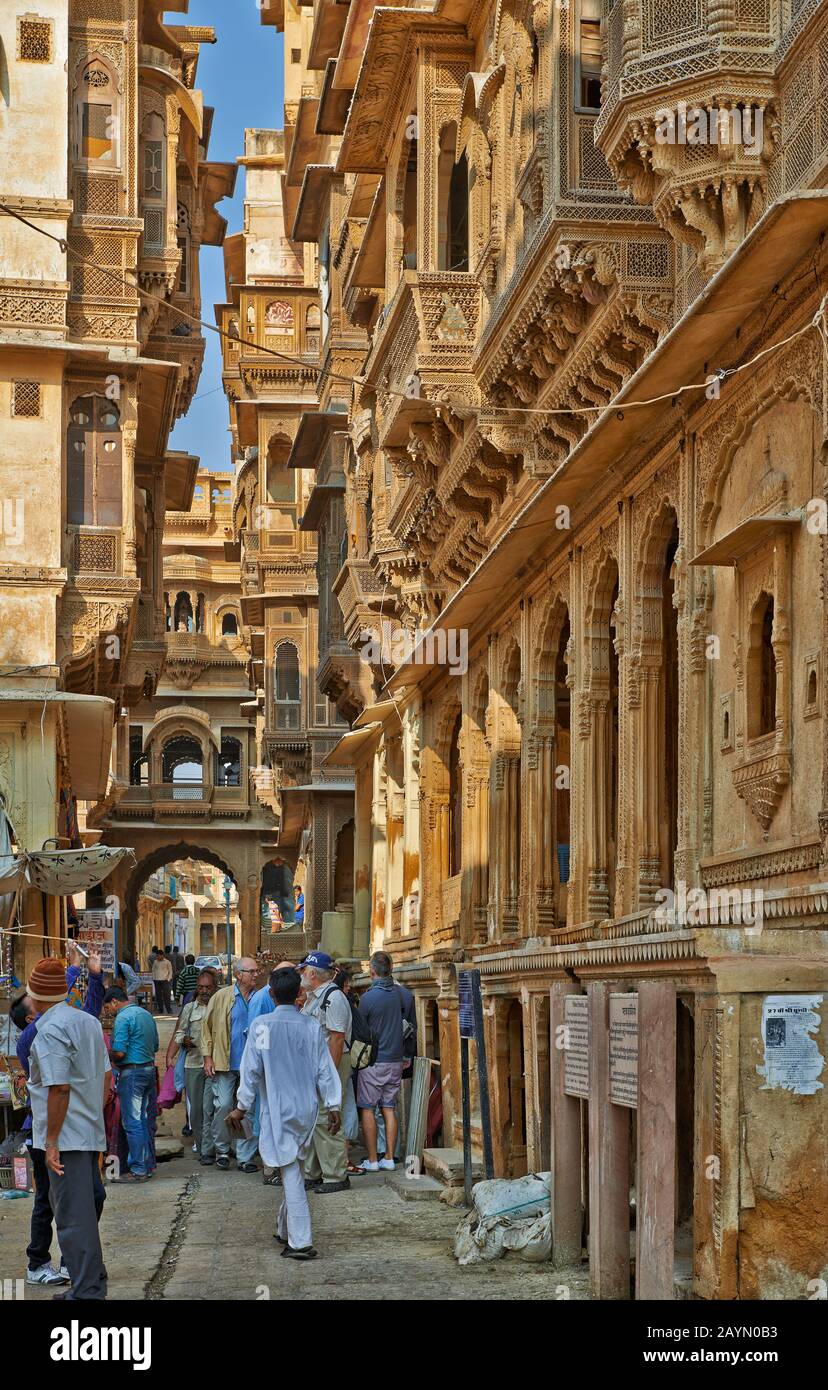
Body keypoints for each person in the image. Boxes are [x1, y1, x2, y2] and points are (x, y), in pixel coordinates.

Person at [226, 967, 342, 1260]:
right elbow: (324, 1069)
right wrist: (333, 1104)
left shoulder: (263, 1026)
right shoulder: (310, 1026)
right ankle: (284, 1227)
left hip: (278, 1108)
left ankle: (300, 1242)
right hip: (307, 1108)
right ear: (299, 994)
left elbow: (251, 1071)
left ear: (273, 994)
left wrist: (241, 1107)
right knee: (294, 1167)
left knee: (290, 1171)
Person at [14, 949, 105, 1288]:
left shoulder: (46, 1032)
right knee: (82, 1207)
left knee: (69, 1215)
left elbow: (59, 1089)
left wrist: (51, 1142)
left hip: (63, 1136)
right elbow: (104, 1076)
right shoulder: (88, 1022)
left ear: (35, 997)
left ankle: (85, 1290)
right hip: (86, 1130)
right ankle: (88, 1280)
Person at [298, 951, 352, 1194]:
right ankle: (313, 1172)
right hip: (316, 1065)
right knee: (313, 1118)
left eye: (303, 971)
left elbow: (337, 1038)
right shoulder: (313, 997)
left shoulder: (333, 997)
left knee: (327, 1117)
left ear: (312, 973)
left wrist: (327, 1075)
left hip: (329, 1064)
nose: (301, 975)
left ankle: (335, 1175)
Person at [201, 956, 260, 1171]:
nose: (256, 975)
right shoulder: (222, 997)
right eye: (251, 971)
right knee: (224, 1105)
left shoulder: (259, 997)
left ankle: (245, 1157)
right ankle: (222, 1151)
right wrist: (207, 1056)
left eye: (257, 971)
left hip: (251, 1065)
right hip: (225, 1063)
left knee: (247, 1109)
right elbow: (205, 1029)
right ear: (238, 975)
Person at [357, 951, 406, 1172]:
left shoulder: (368, 998)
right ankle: (389, 1157)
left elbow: (360, 1028)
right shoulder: (400, 995)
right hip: (395, 1060)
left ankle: (373, 1160)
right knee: (389, 1108)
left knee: (368, 1108)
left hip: (374, 1061)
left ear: (372, 971)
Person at [105, 985, 159, 1182]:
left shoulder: (123, 1017)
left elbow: (119, 1052)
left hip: (132, 1073)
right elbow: (155, 1046)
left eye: (108, 1008)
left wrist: (103, 1052)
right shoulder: (145, 1014)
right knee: (143, 1120)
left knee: (132, 1122)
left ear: (114, 1002)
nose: (109, 1012)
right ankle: (146, 1165)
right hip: (148, 1069)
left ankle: (138, 1169)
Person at [170, 969, 219, 1164]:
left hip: (216, 1065)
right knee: (196, 1110)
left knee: (211, 1108)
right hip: (193, 1064)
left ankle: (210, 1150)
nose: (204, 991)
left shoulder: (220, 1006)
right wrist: (184, 1041)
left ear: (214, 987)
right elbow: (179, 1033)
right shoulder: (190, 1008)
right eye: (201, 987)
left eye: (208, 987)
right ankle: (202, 1145)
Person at [151, 947, 173, 1015]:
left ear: (162, 955)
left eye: (159, 955)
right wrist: (154, 978)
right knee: (158, 996)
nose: (157, 957)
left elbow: (170, 971)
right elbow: (153, 970)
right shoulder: (155, 962)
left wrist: (168, 979)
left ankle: (168, 1009)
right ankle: (160, 1009)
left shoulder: (167, 962)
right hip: (157, 980)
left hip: (165, 981)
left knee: (166, 996)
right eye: (157, 956)